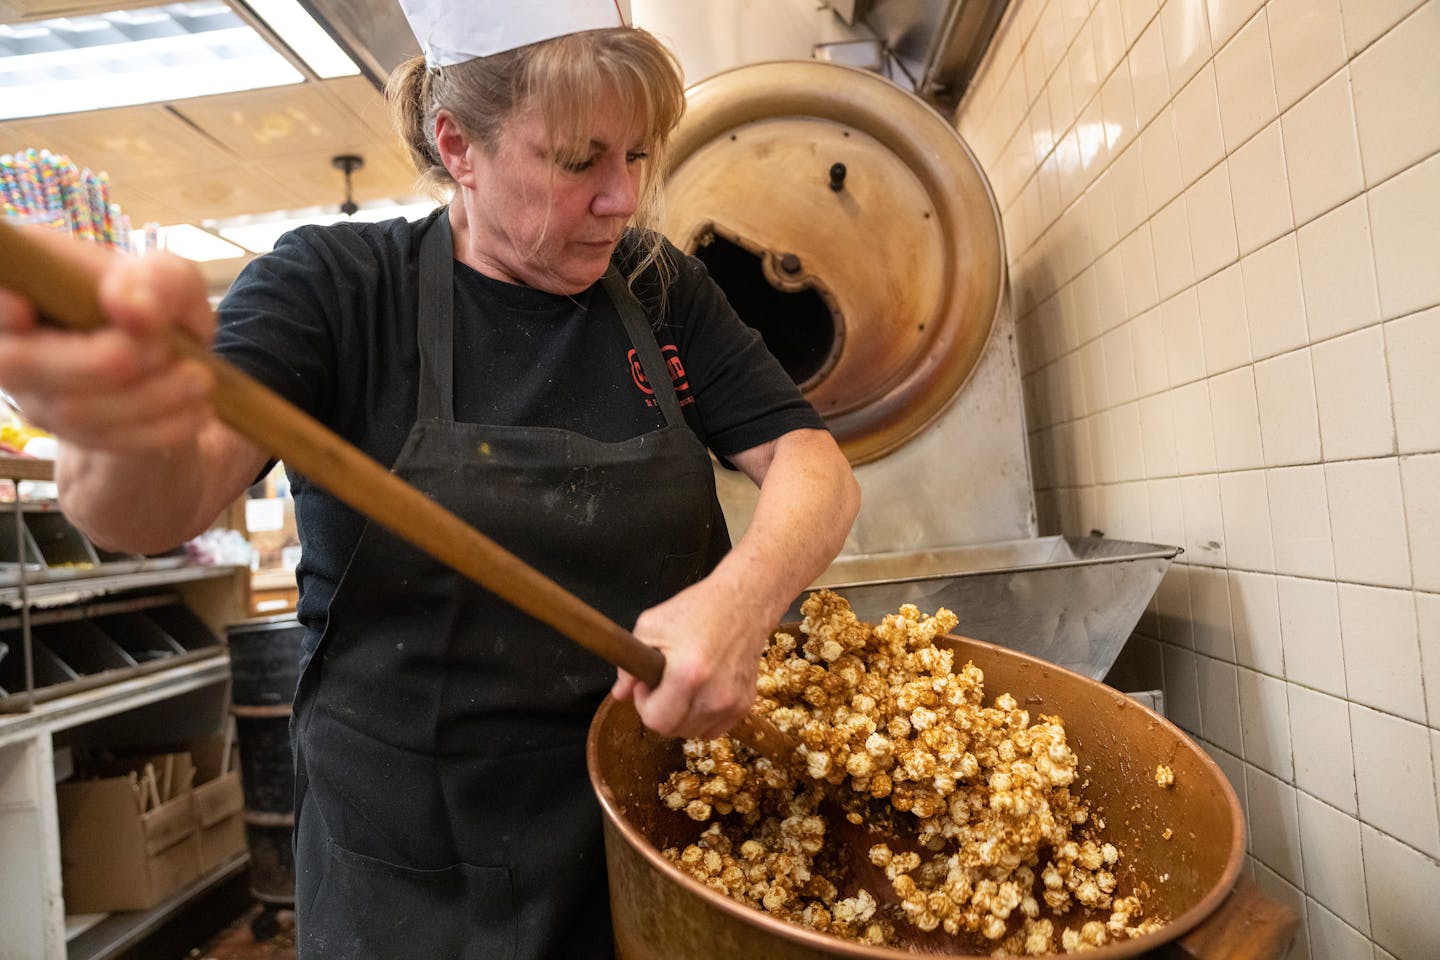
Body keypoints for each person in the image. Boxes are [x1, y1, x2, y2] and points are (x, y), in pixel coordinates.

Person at [0, 1, 860, 956]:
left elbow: (808, 460)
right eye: (579, 161)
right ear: (459, 146)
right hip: (418, 874)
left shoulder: (659, 286)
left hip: (658, 832)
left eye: (638, 155)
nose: (622, 198)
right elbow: (158, 508)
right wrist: (112, 432)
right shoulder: (334, 290)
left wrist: (743, 598)